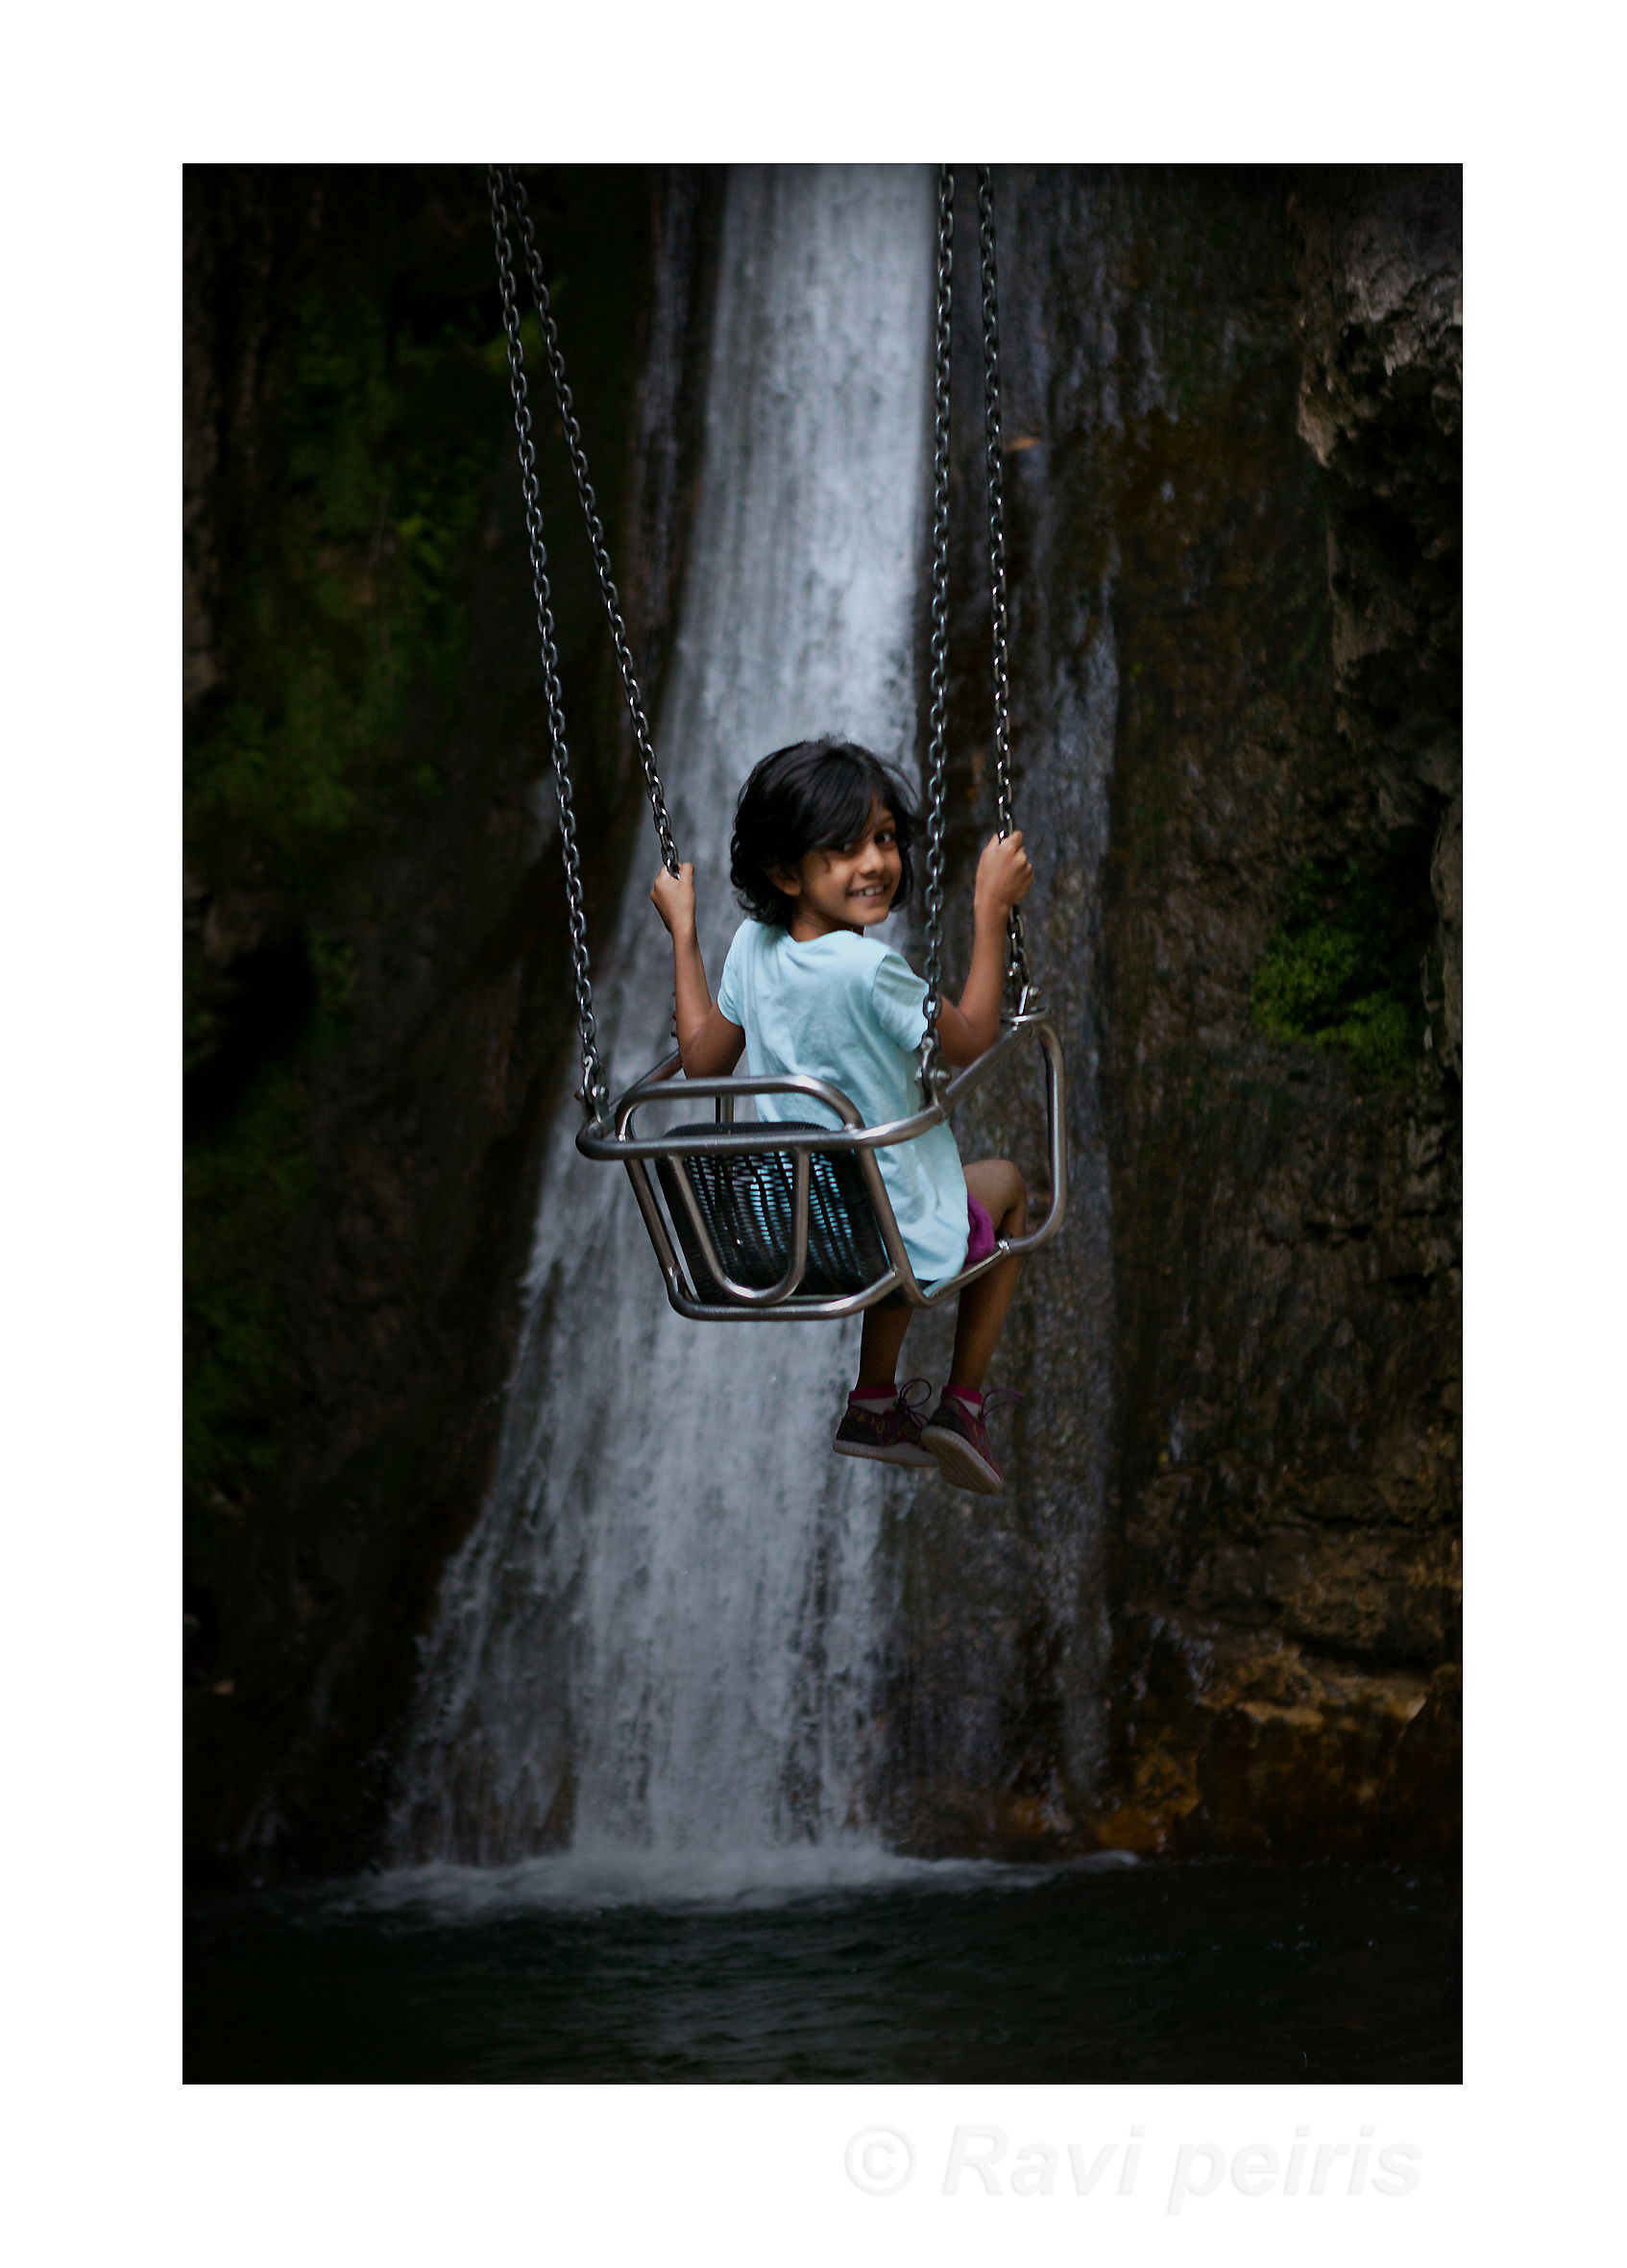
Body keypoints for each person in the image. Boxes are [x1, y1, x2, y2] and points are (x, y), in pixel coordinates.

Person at [649, 737, 1033, 1497]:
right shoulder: (870, 969)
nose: (874, 862)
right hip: (886, 1221)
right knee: (1009, 1184)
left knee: (877, 1216)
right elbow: (971, 1039)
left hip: (798, 1225)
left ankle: (875, 1403)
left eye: (884, 838)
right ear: (787, 872)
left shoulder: (750, 949)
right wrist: (991, 909)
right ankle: (961, 1403)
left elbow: (700, 1061)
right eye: (843, 847)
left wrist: (684, 932)